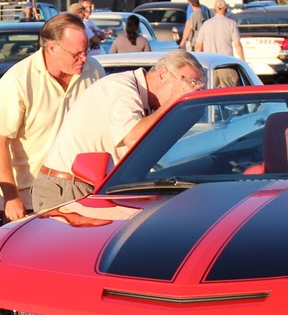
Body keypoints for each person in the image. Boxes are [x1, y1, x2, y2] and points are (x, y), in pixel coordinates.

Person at [32, 50, 205, 213]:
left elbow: (151, 153)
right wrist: (174, 101)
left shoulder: (148, 102)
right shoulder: (120, 88)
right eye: (189, 82)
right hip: (69, 187)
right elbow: (134, 138)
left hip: (97, 186)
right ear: (163, 75)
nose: (190, 90)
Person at [0, 13, 103, 222]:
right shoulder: (18, 81)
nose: (83, 59)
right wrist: (11, 196)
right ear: (52, 48)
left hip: (83, 196)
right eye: (76, 54)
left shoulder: (94, 71)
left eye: (86, 51)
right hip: (30, 201)